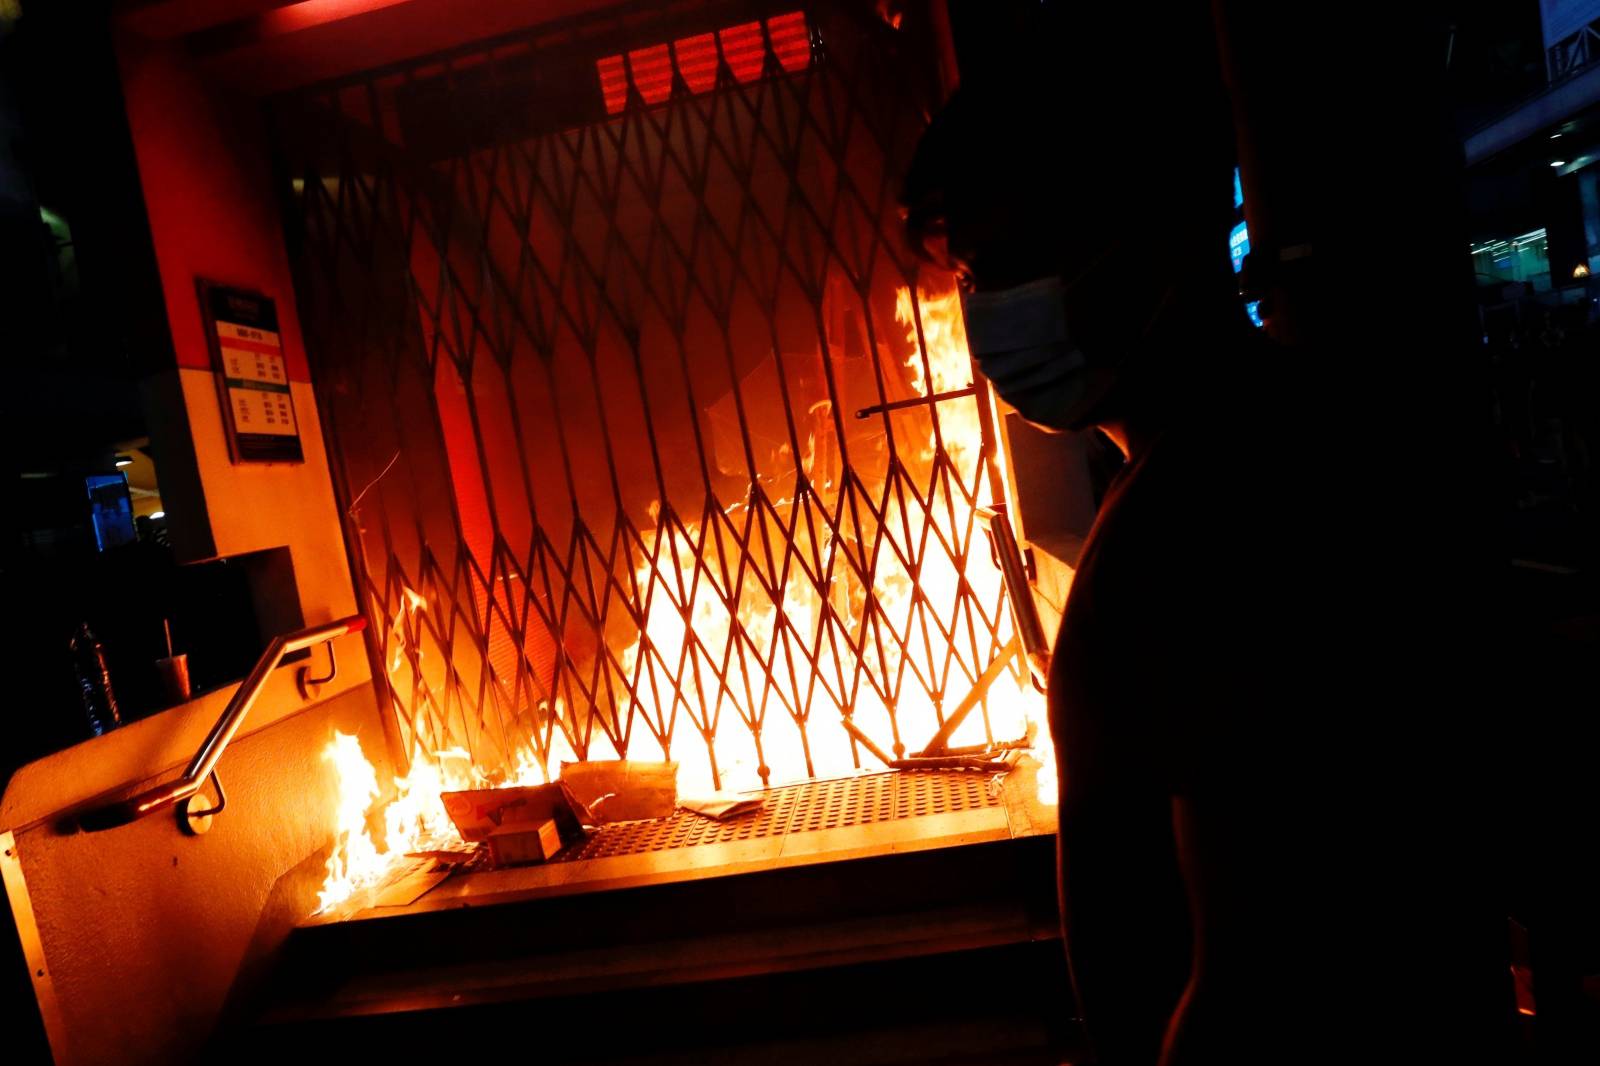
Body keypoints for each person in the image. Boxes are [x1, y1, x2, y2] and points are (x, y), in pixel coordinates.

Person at [902, 7, 1502, 1064]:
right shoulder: (1319, 429)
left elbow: (1196, 962)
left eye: (1016, 257)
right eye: (975, 277)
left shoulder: (1171, 545)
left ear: (1154, 234)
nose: (994, 306)